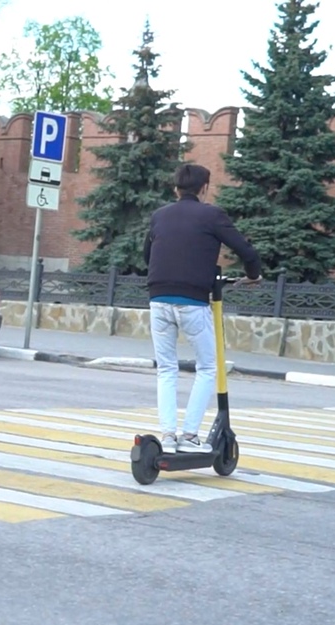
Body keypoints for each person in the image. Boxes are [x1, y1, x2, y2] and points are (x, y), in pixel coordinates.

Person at [143, 163, 263, 454]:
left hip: (158, 299)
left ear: (175, 188)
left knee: (167, 369)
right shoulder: (212, 215)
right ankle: (190, 436)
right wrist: (253, 275)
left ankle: (168, 436)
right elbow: (246, 250)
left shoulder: (159, 215)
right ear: (205, 188)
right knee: (209, 367)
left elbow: (147, 254)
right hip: (193, 302)